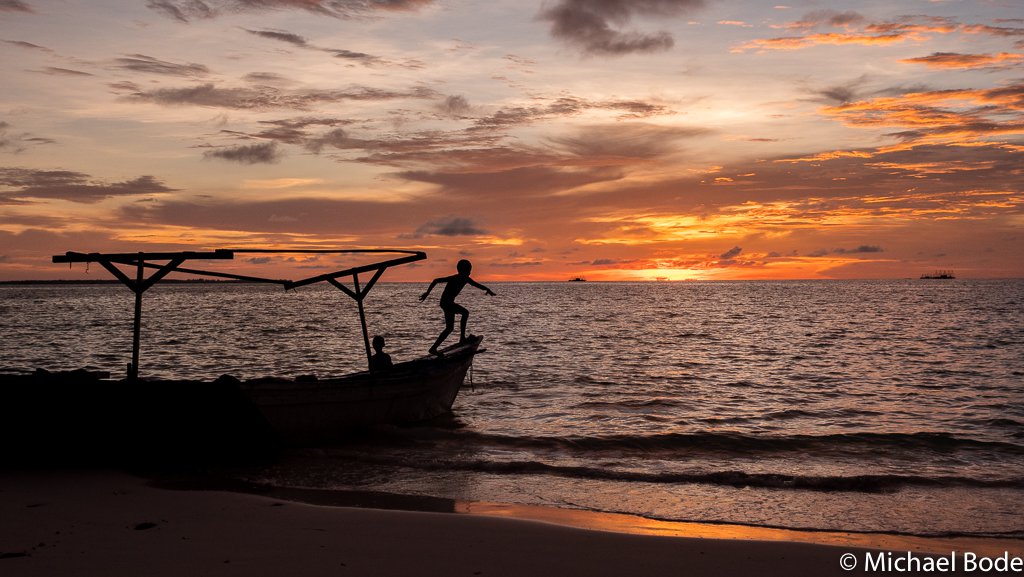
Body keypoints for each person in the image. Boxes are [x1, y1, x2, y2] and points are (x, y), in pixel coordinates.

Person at [419, 259, 495, 356]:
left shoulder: (466, 279)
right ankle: (461, 338)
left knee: (450, 328)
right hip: (446, 303)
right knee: (464, 314)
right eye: (468, 270)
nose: (470, 272)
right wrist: (427, 293)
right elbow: (436, 280)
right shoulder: (455, 278)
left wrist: (488, 289)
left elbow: (477, 285)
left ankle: (433, 348)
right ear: (462, 271)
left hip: (447, 303)